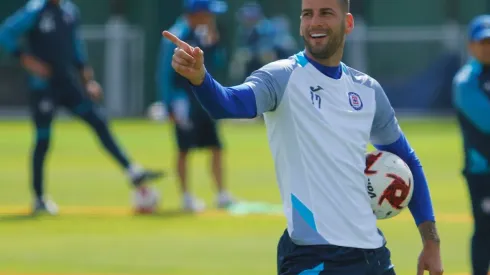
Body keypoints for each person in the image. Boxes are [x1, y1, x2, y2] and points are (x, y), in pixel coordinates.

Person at [162, 0, 444, 274]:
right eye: (307, 14)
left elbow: (407, 161)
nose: (315, 22)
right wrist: (201, 79)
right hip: (312, 257)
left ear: (347, 23)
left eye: (325, 13)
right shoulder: (281, 77)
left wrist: (431, 241)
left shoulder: (368, 90)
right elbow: (229, 103)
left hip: (374, 256)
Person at [0, 0, 163, 215]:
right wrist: (26, 60)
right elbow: (5, 33)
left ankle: (132, 170)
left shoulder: (70, 11)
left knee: (98, 120)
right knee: (43, 140)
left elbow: (76, 47)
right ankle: (39, 198)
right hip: (43, 86)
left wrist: (88, 80)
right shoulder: (35, 10)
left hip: (67, 83)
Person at [155, 0, 234, 212]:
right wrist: (168, 105)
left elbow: (217, 64)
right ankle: (186, 197)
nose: (211, 18)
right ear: (198, 12)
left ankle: (222, 194)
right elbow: (164, 73)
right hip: (183, 102)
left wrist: (214, 43)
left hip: (203, 100)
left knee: (216, 146)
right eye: (208, 13)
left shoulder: (202, 34)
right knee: (184, 149)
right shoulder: (176, 34)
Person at [452, 14, 490, 275]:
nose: (487, 46)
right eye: (483, 41)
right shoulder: (466, 82)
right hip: (483, 172)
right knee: (485, 230)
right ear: (471, 46)